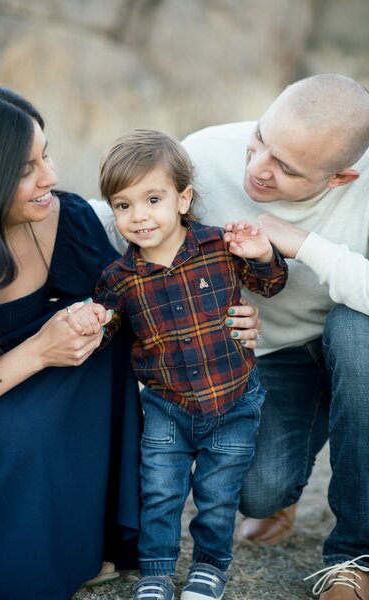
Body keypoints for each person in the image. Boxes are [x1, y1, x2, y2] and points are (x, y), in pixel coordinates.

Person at [68, 129, 288, 600]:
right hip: (167, 407)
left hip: (233, 400)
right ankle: (156, 573)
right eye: (123, 205)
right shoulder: (118, 277)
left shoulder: (219, 247)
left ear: (183, 198)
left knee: (217, 495)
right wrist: (90, 319)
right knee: (161, 494)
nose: (139, 216)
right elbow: (108, 329)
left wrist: (264, 253)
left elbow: (269, 285)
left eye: (152, 199)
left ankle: (209, 568)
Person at [179, 73, 369, 599]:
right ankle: (291, 478)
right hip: (276, 354)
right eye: (261, 139)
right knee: (257, 493)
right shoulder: (203, 154)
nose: (257, 169)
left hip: (355, 338)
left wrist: (304, 244)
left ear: (341, 178)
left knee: (358, 336)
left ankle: (355, 556)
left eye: (287, 169)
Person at [0, 80, 142, 600]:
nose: (52, 177)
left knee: (98, 330)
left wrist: (226, 317)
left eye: (47, 155)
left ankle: (90, 541)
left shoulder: (66, 219)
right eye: (26, 169)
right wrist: (38, 352)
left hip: (29, 394)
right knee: (19, 431)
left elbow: (134, 305)